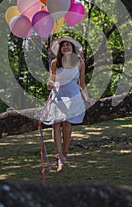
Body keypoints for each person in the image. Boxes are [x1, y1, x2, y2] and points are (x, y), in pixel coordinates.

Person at [40, 36, 93, 172]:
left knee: (67, 124)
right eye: (63, 45)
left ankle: (65, 151)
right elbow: (52, 79)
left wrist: (87, 98)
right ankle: (59, 156)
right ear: (60, 49)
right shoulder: (55, 63)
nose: (66, 47)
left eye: (68, 45)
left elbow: (81, 83)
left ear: (72, 48)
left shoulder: (79, 63)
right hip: (58, 95)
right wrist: (50, 84)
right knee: (56, 124)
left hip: (72, 96)